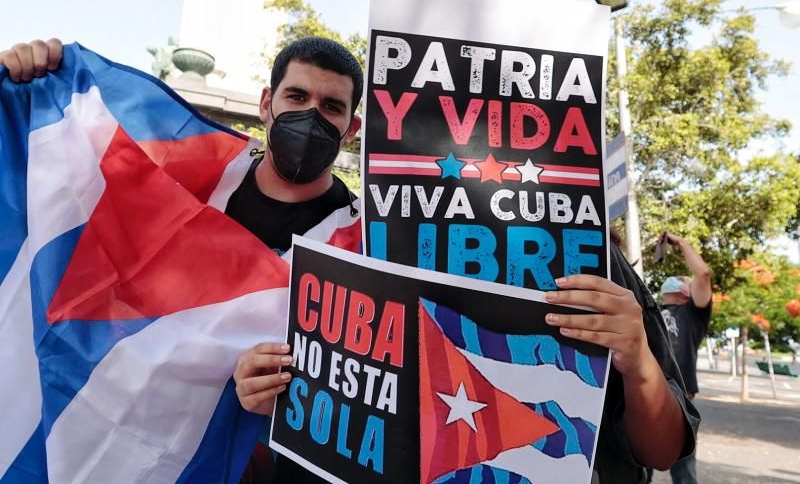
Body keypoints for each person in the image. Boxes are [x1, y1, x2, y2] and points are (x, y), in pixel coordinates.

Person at [2, 40, 699, 484]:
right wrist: (32, 83)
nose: (482, 152)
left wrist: (638, 354)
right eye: (456, 131)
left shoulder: (586, 260)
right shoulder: (379, 239)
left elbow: (662, 447)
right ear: (267, 103)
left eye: (332, 106)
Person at [656, 231, 713, 484]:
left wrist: (681, 243)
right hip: (644, 389)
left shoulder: (694, 314)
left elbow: (702, 274)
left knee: (684, 470)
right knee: (633, 468)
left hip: (680, 394)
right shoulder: (651, 309)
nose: (682, 279)